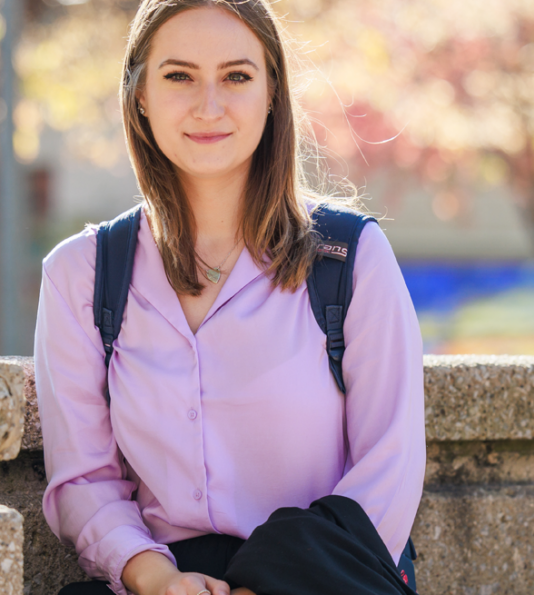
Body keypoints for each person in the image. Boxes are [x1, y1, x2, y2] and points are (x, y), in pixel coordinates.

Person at [33, 1, 425, 594]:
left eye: (237, 76)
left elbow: (390, 469)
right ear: (140, 93)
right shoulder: (79, 275)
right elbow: (83, 481)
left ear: (271, 92)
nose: (208, 105)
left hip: (321, 575)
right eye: (179, 76)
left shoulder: (351, 259)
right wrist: (157, 577)